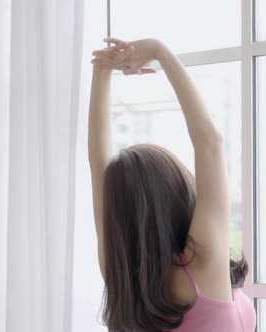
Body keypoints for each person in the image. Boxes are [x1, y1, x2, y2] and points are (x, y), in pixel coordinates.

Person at [88, 37, 256, 332]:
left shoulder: (120, 272)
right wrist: (159, 52)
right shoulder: (202, 264)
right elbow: (209, 144)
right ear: (176, 190)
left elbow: (98, 164)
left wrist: (103, 69)